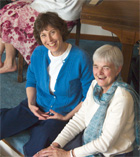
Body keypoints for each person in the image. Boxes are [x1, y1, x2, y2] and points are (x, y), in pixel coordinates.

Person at [0, 12, 94, 156]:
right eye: (43, 35)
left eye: (52, 32)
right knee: (3, 124)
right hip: (36, 105)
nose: (49, 39)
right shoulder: (38, 52)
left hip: (61, 114)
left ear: (61, 31)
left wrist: (66, 117)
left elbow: (89, 96)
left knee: (36, 148)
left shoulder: (81, 58)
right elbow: (31, 80)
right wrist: (31, 104)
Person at [34, 44, 140, 157]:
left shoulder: (123, 98)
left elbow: (105, 143)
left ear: (118, 69)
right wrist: (55, 145)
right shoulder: (95, 85)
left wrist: (68, 154)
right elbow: (80, 119)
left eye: (106, 67)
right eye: (96, 66)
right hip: (90, 141)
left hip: (112, 153)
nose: (99, 73)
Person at [0, 0, 87, 74]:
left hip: (61, 9)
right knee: (7, 9)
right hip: (72, 7)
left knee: (9, 15)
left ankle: (9, 62)